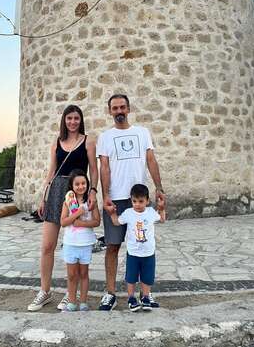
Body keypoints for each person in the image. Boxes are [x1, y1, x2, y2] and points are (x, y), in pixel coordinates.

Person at [97, 94, 166, 311]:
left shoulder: (142, 133)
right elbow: (104, 167)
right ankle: (110, 293)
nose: (119, 111)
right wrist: (105, 195)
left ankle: (145, 293)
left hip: (139, 198)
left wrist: (159, 188)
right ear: (110, 111)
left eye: (122, 107)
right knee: (113, 246)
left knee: (143, 245)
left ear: (128, 109)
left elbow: (151, 160)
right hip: (116, 198)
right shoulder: (105, 137)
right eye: (115, 108)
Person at [28, 105, 98, 312]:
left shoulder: (88, 141)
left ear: (80, 120)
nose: (73, 122)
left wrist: (93, 191)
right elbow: (51, 171)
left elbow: (93, 169)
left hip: (77, 194)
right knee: (47, 246)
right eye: (69, 118)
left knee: (75, 247)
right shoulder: (56, 142)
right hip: (57, 191)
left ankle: (71, 294)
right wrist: (43, 197)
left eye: (76, 118)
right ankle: (45, 291)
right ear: (64, 120)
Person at [107, 184, 165, 311]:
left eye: (141, 201)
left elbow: (162, 219)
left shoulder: (150, 212)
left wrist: (161, 208)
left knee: (147, 277)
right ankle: (131, 298)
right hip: (133, 252)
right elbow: (117, 222)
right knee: (131, 277)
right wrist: (111, 213)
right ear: (131, 200)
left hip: (148, 252)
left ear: (147, 201)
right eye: (134, 201)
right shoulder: (128, 213)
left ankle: (145, 297)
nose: (137, 204)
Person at [60, 169, 100, 311]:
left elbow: (97, 221)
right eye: (77, 184)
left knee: (84, 274)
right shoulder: (68, 202)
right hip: (71, 244)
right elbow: (64, 222)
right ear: (72, 186)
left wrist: (82, 223)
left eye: (83, 183)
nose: (81, 186)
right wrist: (78, 213)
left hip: (85, 244)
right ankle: (71, 301)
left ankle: (83, 301)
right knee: (71, 275)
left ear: (87, 184)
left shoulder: (91, 202)